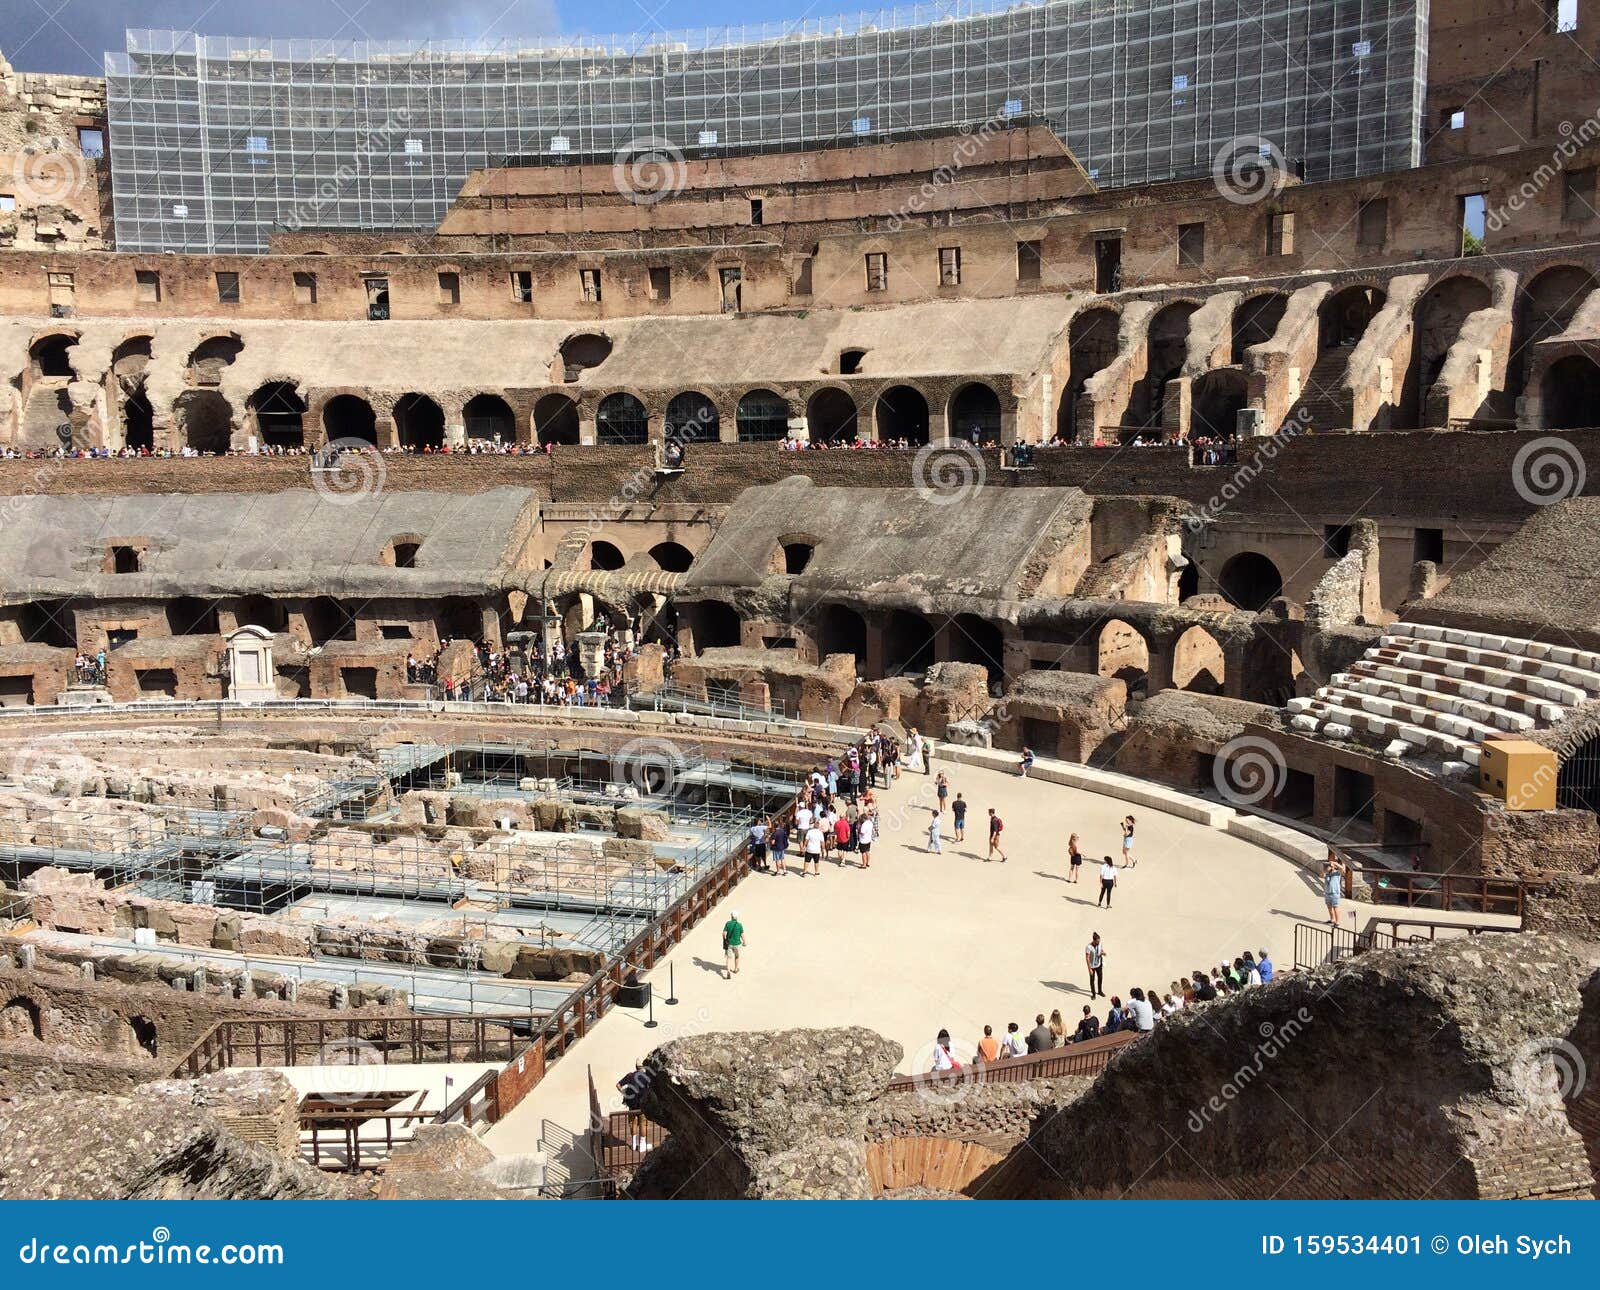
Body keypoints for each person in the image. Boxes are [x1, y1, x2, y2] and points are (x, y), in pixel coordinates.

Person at [722, 911, 745, 979]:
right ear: (736, 917)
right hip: (737, 944)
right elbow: (742, 935)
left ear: (731, 916)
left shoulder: (728, 924)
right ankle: (735, 969)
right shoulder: (739, 925)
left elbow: (724, 934)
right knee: (737, 956)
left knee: (728, 958)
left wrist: (725, 940)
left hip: (729, 944)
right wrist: (744, 942)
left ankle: (728, 971)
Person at [1324, 850, 1344, 925]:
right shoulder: (1327, 873)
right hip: (1327, 893)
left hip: (1334, 893)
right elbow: (1323, 871)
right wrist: (1328, 867)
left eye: (1330, 866)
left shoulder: (1337, 873)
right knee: (1329, 907)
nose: (1329, 867)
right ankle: (1332, 919)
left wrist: (1335, 864)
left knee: (1335, 907)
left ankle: (1337, 921)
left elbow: (1342, 869)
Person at [1085, 931, 1106, 999]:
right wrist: (1089, 969)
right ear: (1093, 940)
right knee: (1092, 980)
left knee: (1100, 978)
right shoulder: (1089, 947)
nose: (1098, 943)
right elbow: (1087, 958)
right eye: (1097, 941)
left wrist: (1102, 953)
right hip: (1092, 966)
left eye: (1099, 941)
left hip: (1099, 964)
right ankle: (1093, 994)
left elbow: (1100, 950)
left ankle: (1100, 991)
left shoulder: (1100, 944)